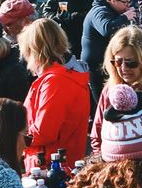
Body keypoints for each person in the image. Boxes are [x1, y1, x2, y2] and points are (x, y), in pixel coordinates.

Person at [20, 18, 90, 172]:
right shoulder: (60, 77)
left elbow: (44, 132)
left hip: (49, 167)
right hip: (55, 163)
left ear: (33, 50)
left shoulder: (55, 81)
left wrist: (12, 136)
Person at [80, 0, 137, 102]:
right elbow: (106, 29)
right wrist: (124, 17)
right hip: (95, 66)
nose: (128, 6)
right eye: (125, 2)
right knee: (102, 101)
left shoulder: (116, 11)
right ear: (113, 0)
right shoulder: (99, 11)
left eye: (130, 2)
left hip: (108, 62)